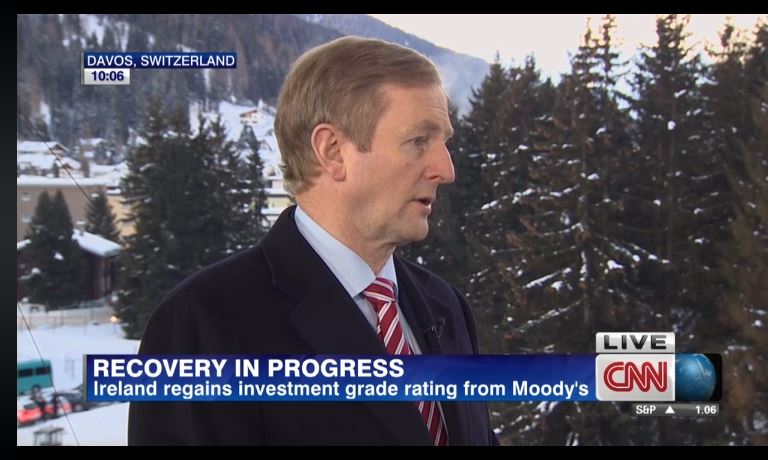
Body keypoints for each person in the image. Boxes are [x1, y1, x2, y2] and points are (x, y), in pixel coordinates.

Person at [128, 36, 498, 446]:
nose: (446, 169)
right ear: (333, 151)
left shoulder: (446, 306)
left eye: (444, 142)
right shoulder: (201, 326)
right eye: (418, 141)